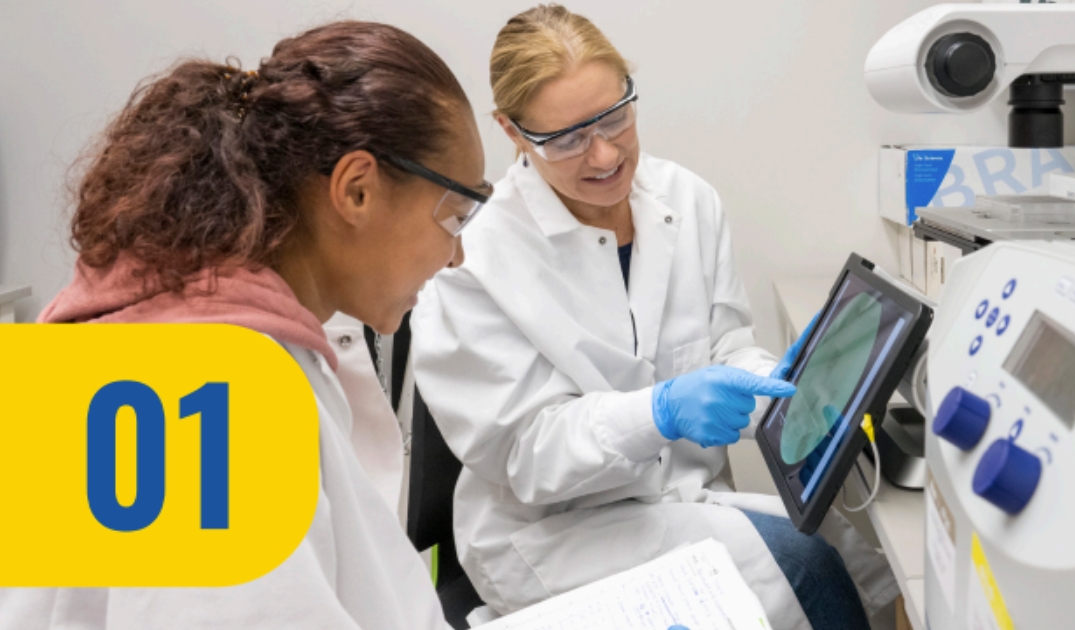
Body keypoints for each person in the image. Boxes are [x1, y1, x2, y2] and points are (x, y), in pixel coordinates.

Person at [411, 5, 899, 630]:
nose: (606, 153)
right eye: (566, 139)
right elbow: (524, 452)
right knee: (805, 569)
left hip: (681, 497)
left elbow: (724, 346)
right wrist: (659, 411)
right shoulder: (471, 257)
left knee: (849, 550)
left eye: (615, 116)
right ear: (511, 132)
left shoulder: (687, 200)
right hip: (555, 530)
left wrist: (786, 385)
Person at [0, 21, 490, 630]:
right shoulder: (205, 400)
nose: (457, 256)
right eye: (455, 216)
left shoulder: (190, 335)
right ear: (357, 190)